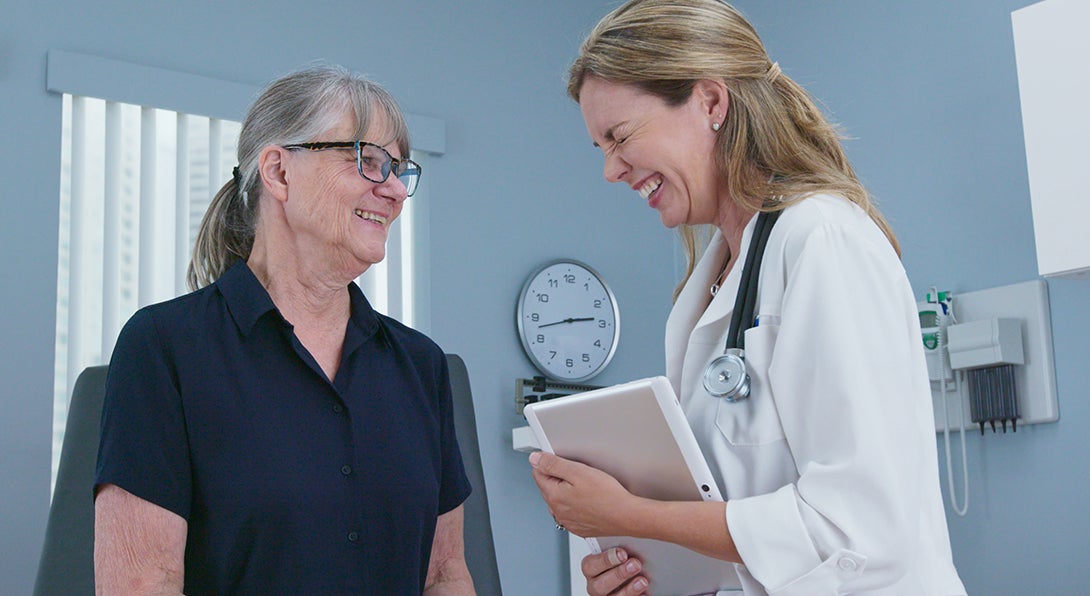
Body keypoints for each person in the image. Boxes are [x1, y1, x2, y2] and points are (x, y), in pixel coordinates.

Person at [528, 1, 967, 594]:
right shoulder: (710, 285)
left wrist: (631, 516)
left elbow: (859, 533)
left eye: (620, 137)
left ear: (710, 102)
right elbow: (741, 531)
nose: (610, 170)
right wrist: (647, 571)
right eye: (600, 148)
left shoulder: (822, 241)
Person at [94, 64, 475, 595]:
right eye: (368, 161)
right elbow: (142, 584)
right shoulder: (164, 347)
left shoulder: (422, 365)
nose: (394, 191)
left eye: (399, 170)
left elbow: (444, 575)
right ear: (278, 172)